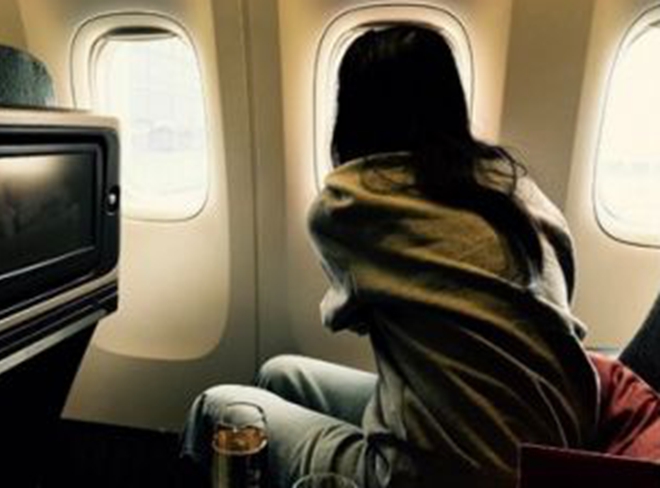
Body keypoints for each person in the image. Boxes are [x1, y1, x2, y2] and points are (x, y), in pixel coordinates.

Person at [179, 25, 599, 488]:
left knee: (217, 408)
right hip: (546, 453)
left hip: (444, 474)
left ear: (352, 116)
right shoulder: (513, 189)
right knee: (280, 374)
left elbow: (351, 317)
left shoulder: (351, 204)